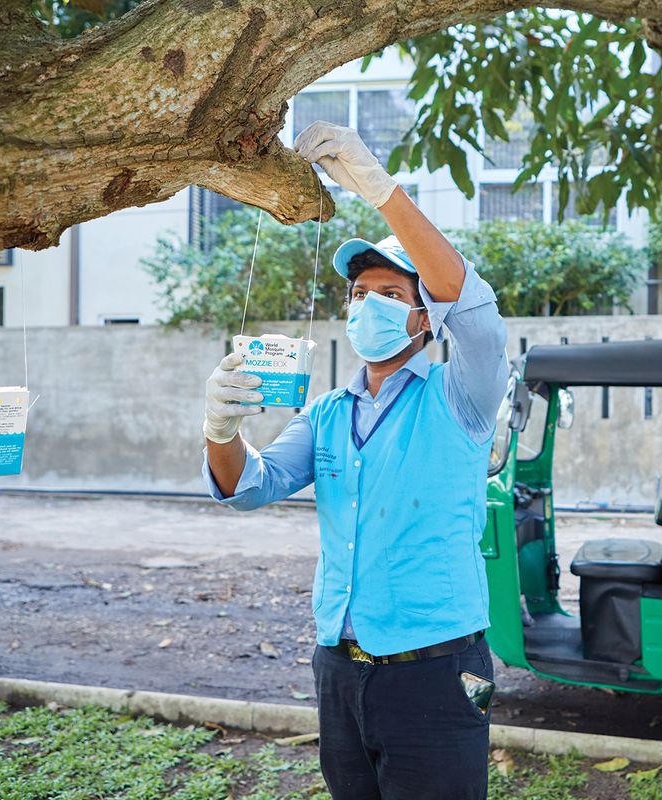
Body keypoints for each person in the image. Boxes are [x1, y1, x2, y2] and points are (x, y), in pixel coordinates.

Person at [201, 120, 510, 800]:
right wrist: (220, 427)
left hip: (436, 672)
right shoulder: (327, 414)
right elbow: (250, 485)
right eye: (360, 294)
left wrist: (380, 189)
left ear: (425, 318)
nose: (368, 304)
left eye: (391, 295)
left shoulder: (462, 397)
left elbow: (476, 312)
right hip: (339, 671)